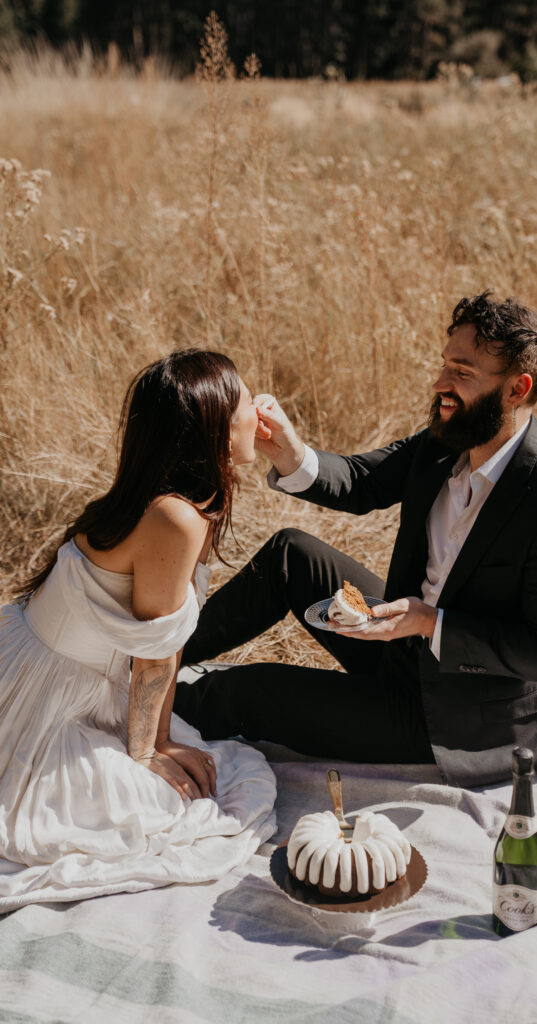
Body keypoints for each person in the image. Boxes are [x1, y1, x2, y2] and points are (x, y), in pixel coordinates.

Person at [174, 293, 537, 788]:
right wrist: (290, 451)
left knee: (241, 694)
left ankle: (127, 711)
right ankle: (158, 658)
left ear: (517, 389)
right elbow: (361, 481)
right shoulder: (445, 441)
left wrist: (430, 623)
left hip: (459, 715)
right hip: (399, 650)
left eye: (462, 373)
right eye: (445, 365)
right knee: (290, 554)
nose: (441, 384)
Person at [0, 350, 277, 913]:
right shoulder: (173, 517)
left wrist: (160, 739)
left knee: (199, 770)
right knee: (171, 806)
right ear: (217, 430)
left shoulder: (166, 499)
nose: (262, 408)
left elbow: (162, 642)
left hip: (47, 668)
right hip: (51, 702)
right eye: (248, 400)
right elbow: (155, 654)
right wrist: (148, 750)